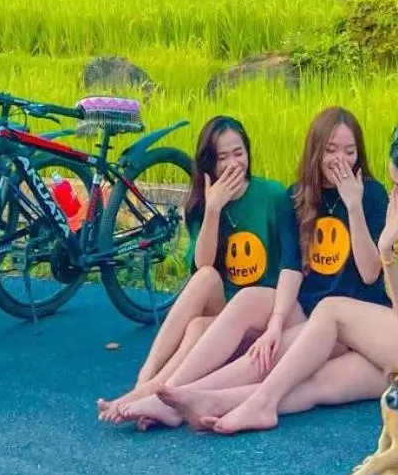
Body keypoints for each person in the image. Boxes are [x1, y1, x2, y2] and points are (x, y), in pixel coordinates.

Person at [171, 127, 398, 434]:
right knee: (319, 383)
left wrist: (386, 249)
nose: (396, 192)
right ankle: (210, 399)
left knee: (333, 310)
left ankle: (259, 404)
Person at [149, 107, 388, 422]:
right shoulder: (297, 196)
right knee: (250, 302)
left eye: (349, 151)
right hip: (306, 308)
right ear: (315, 151)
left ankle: (176, 401)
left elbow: (371, 273)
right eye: (330, 150)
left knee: (265, 357)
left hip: (349, 319)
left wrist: (354, 207)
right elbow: (290, 268)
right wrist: (275, 323)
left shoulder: (371, 194)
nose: (339, 159)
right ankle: (162, 390)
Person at [96, 115, 298, 425]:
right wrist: (214, 208)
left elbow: (291, 265)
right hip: (225, 314)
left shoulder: (272, 195)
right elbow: (203, 265)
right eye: (222, 157)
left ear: (248, 153)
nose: (233, 163)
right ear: (209, 164)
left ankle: (153, 393)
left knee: (201, 325)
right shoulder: (204, 203)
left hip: (263, 309)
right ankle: (150, 382)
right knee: (202, 293)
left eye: (238, 153)